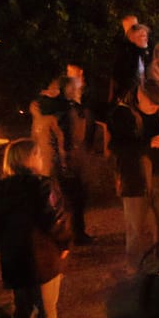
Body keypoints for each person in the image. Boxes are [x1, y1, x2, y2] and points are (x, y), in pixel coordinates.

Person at [0, 139, 71, 318]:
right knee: (47, 310)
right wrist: (64, 243)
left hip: (13, 258)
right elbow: (54, 220)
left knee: (22, 307)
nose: (42, 159)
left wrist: (3, 246)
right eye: (38, 155)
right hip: (42, 257)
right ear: (29, 158)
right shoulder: (42, 185)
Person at [109, 78, 159, 268]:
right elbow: (116, 147)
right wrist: (146, 145)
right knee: (136, 231)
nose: (155, 109)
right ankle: (135, 272)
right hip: (135, 180)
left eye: (158, 105)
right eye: (151, 105)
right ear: (139, 95)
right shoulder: (121, 114)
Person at [57, 74, 94, 244]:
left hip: (79, 156)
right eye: (71, 87)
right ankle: (74, 234)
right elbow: (64, 135)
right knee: (73, 198)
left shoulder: (76, 107)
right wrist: (65, 157)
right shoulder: (63, 110)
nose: (75, 90)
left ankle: (78, 231)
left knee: (79, 197)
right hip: (70, 158)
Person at [110, 21, 151, 104]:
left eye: (146, 36)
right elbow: (125, 80)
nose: (146, 39)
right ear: (132, 38)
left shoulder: (143, 55)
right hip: (129, 99)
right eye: (142, 36)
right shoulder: (127, 56)